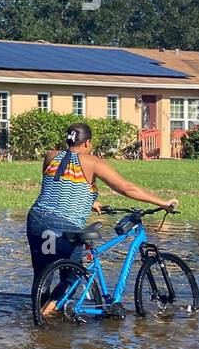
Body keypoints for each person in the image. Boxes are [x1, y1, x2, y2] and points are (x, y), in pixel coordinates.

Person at [27, 122, 178, 316]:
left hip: (37, 220)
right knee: (73, 277)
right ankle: (45, 318)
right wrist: (163, 202)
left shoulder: (50, 156)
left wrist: (90, 201)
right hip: (64, 224)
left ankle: (35, 319)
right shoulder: (91, 162)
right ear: (87, 143)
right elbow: (126, 188)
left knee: (42, 274)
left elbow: (56, 185)